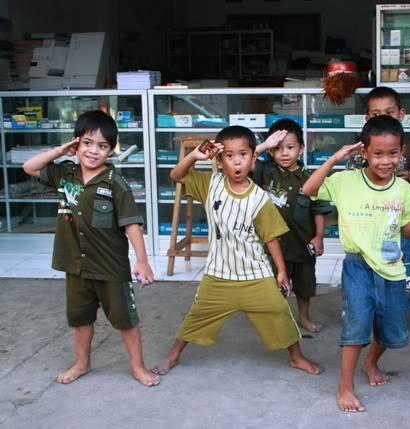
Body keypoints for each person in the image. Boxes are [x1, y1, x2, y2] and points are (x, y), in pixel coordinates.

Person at [152, 125, 320, 376]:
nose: (237, 161)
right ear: (219, 161)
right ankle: (173, 357)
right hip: (218, 275)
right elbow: (176, 175)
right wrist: (194, 156)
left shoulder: (260, 198)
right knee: (197, 315)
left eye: (243, 154)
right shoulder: (211, 184)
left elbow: (272, 238)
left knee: (279, 311)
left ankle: (296, 357)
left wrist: (281, 272)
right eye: (229, 156)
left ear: (253, 159)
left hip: (256, 275)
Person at [303, 115, 410, 412]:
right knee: (357, 324)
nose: (386, 161)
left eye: (393, 153)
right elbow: (309, 189)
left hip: (391, 267)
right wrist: (335, 158)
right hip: (358, 266)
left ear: (402, 152)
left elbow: (408, 232)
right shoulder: (346, 180)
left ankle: (371, 362)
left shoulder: (402, 189)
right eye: (378, 153)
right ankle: (345, 386)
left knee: (391, 332)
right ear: (364, 152)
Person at [23, 110, 158, 387]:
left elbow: (132, 224)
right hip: (75, 264)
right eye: (86, 143)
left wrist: (142, 260)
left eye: (102, 146)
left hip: (110, 266)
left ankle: (138, 367)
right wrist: (59, 151)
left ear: (110, 151)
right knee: (80, 318)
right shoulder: (65, 173)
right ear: (76, 143)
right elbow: (29, 167)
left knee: (125, 319)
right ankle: (81, 363)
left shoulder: (115, 183)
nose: (93, 151)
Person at [363, 86, 410, 342]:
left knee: (407, 267)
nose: (383, 117)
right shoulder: (362, 149)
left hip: (400, 220)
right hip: (370, 222)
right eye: (376, 114)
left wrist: (406, 176)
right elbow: (352, 181)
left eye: (390, 112)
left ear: (401, 114)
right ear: (367, 118)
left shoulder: (409, 148)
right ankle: (367, 313)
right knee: (365, 269)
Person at [253, 119, 334, 333]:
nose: (284, 153)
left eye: (290, 147)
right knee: (275, 286)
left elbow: (318, 209)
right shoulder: (264, 172)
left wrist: (319, 236)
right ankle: (278, 320)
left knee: (304, 286)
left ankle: (304, 317)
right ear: (271, 151)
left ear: (301, 148)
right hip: (274, 246)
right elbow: (245, 160)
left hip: (302, 244)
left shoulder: (310, 179)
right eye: (277, 148)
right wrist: (264, 145)